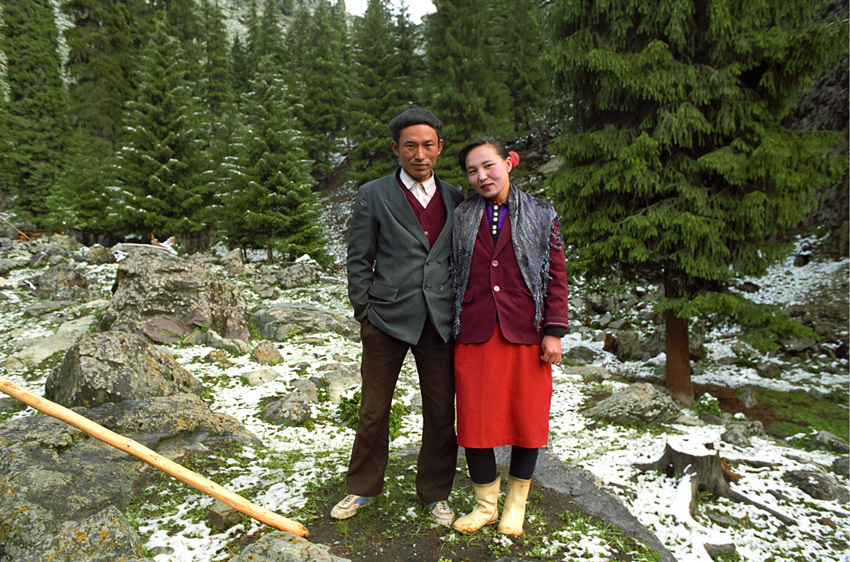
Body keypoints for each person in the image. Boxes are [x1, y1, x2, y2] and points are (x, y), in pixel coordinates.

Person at [332, 107, 464, 526]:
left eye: (428, 145)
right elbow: (358, 257)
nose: (419, 154)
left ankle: (435, 493)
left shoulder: (457, 197)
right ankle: (362, 488)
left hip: (439, 321)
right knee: (373, 408)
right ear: (396, 148)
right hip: (386, 319)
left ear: (440, 148)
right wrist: (364, 311)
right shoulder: (374, 194)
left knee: (442, 412)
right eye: (410, 145)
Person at [450, 137, 569, 536]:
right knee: (474, 421)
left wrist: (553, 330)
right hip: (474, 331)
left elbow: (556, 276)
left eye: (488, 165)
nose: (481, 176)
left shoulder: (541, 213)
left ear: (508, 163)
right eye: (472, 170)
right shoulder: (462, 215)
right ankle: (485, 504)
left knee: (526, 418)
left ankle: (515, 504)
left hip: (526, 334)